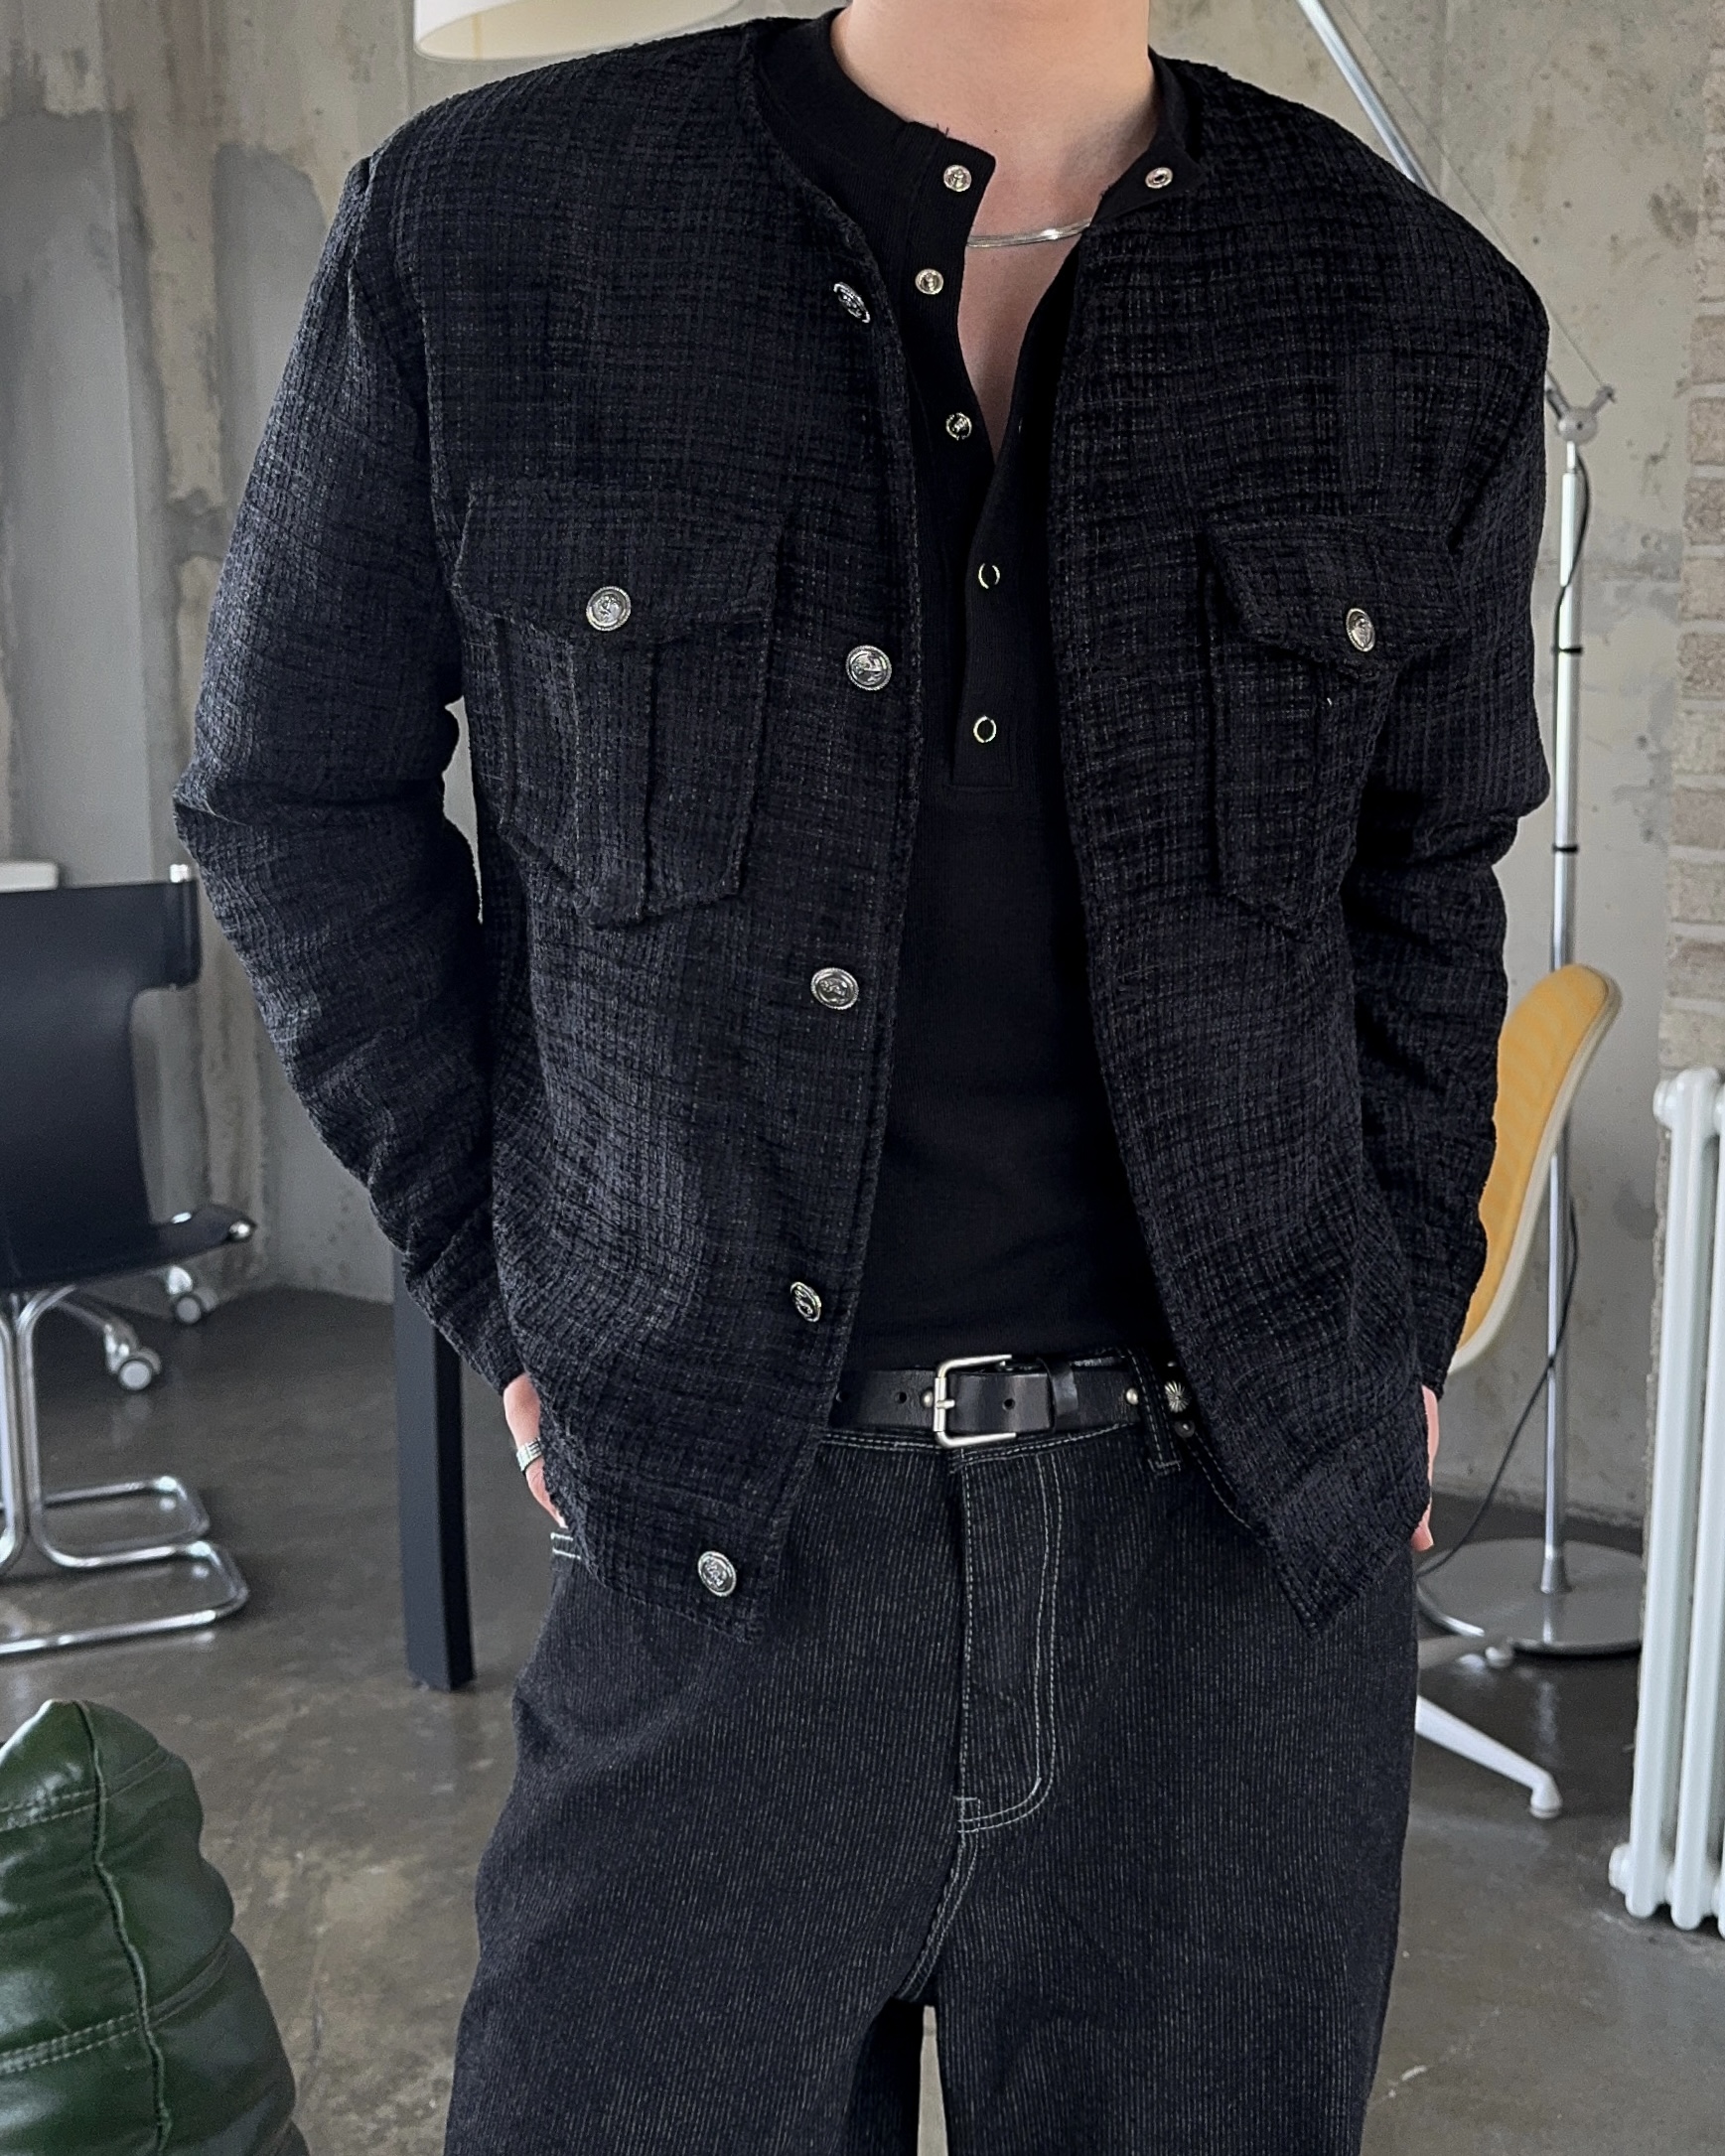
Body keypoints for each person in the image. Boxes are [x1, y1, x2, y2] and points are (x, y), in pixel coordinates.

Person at [176, 1, 1549, 2147]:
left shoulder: (1411, 306)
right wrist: (504, 1288)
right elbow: (292, 795)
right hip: (722, 1548)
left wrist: (1386, 1325)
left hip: (1230, 1591)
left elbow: (1425, 879)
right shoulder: (490, 231)